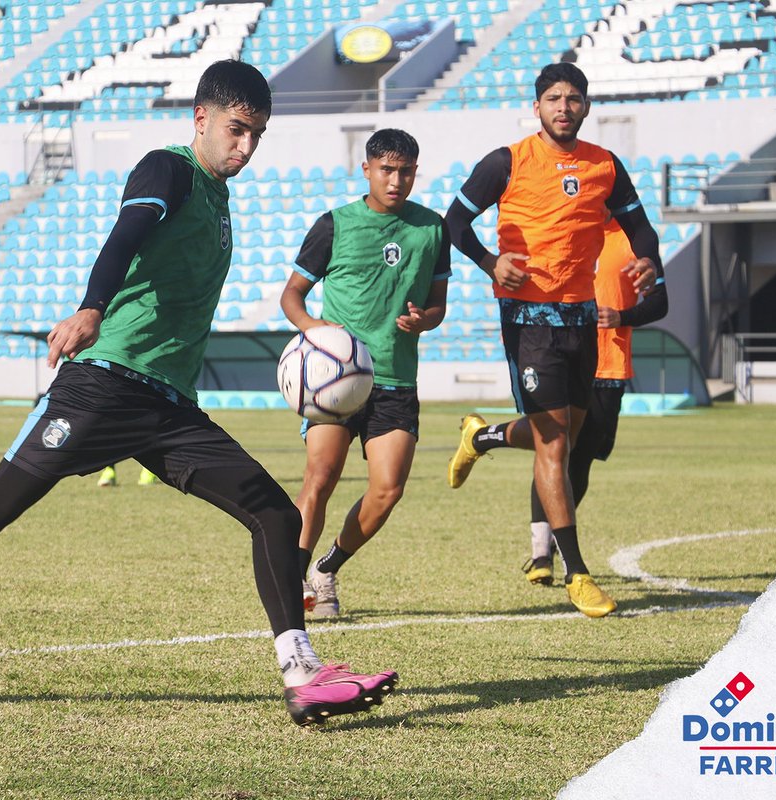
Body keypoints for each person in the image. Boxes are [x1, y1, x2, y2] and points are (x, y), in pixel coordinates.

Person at [0, 60, 397, 727]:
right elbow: (125, 235)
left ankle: (301, 673)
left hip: (168, 408)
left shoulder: (220, 198)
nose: (244, 148)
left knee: (274, 513)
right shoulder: (168, 169)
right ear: (202, 118)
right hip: (102, 385)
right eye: (236, 130)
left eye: (257, 136)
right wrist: (92, 307)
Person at [444, 63, 660, 618]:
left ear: (585, 107)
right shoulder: (506, 161)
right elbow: (453, 224)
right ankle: (577, 571)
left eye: (573, 98)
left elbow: (641, 228)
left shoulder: (605, 166)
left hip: (582, 321)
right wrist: (493, 262)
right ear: (537, 107)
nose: (563, 107)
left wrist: (648, 263)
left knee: (567, 432)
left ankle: (482, 436)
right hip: (527, 319)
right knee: (556, 446)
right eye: (552, 98)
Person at [281, 129, 449, 618]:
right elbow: (292, 296)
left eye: (407, 172)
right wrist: (318, 331)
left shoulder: (433, 229)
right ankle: (294, 584)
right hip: (336, 383)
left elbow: (438, 306)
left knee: (388, 489)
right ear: (367, 170)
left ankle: (327, 568)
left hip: (395, 378)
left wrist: (425, 320)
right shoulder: (334, 225)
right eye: (387, 170)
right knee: (320, 476)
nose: (396, 181)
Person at [459, 218, 668, 586]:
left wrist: (622, 316)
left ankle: (482, 437)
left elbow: (660, 303)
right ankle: (542, 553)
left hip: (610, 367)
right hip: (563, 355)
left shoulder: (635, 240)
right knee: (552, 447)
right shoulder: (568, 229)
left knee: (581, 458)